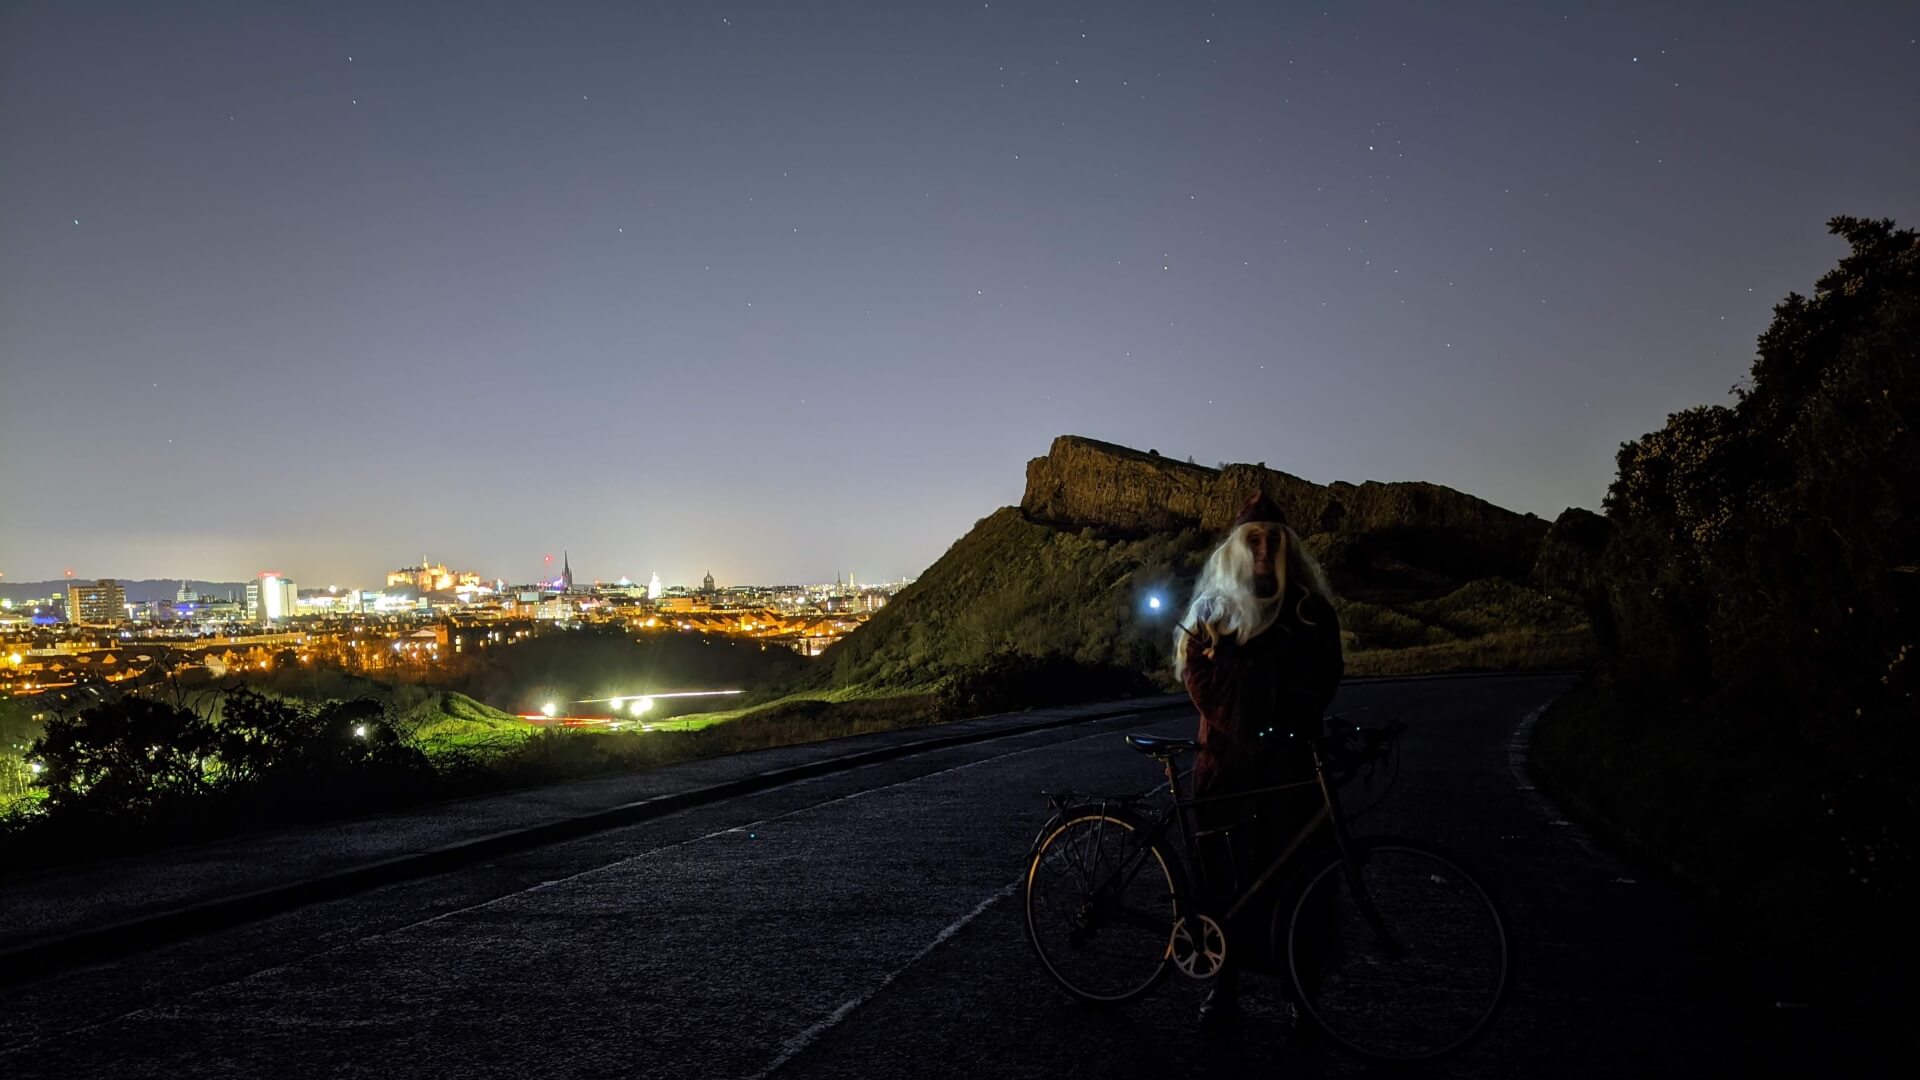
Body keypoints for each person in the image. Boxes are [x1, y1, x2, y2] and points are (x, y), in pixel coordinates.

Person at [1173, 491, 1345, 1030]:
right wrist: (1262, 697)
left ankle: (1301, 993)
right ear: (1238, 549)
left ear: (1288, 545)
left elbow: (1321, 681)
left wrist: (1249, 683)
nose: (1265, 546)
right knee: (1226, 887)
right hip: (1227, 775)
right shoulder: (1212, 612)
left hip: (1293, 772)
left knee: (1301, 884)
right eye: (1254, 538)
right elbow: (1202, 686)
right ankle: (1224, 992)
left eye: (1273, 537)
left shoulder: (1310, 610)